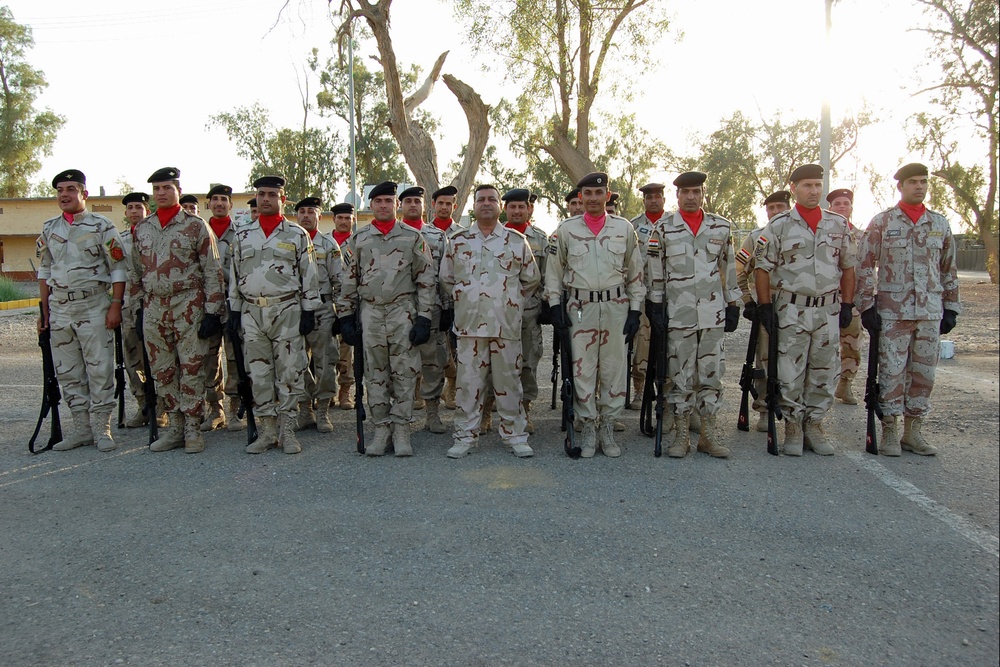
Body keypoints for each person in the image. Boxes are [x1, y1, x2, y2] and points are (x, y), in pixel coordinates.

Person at [855, 162, 960, 457]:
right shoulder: (882, 222)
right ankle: (889, 428)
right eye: (913, 182)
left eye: (923, 182)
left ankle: (913, 431)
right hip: (892, 312)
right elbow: (865, 265)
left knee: (924, 373)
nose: (919, 186)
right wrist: (866, 306)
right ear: (900, 186)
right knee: (891, 371)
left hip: (929, 311)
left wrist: (951, 307)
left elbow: (948, 269)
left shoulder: (939, 224)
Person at [754, 164, 856, 457]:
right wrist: (764, 307)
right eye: (807, 186)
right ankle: (793, 427)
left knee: (825, 370)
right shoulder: (779, 225)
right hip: (792, 310)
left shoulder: (838, 225)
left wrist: (847, 304)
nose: (813, 191)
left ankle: (814, 424)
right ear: (795, 188)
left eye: (817, 185)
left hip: (827, 310)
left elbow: (848, 267)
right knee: (790, 371)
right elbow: (762, 268)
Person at [545, 171, 644, 458]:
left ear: (607, 195)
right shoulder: (565, 230)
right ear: (580, 197)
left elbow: (636, 273)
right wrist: (554, 306)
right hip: (580, 309)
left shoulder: (624, 229)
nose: (592, 198)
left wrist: (635, 311)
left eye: (598, 193)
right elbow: (553, 274)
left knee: (614, 370)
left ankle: (608, 428)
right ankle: (588, 427)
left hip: (615, 307)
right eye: (586, 194)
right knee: (582, 370)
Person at [644, 171, 741, 458]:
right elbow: (655, 272)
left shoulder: (721, 228)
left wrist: (733, 303)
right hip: (679, 315)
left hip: (712, 316)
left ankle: (708, 435)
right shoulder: (663, 229)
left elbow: (729, 269)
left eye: (696, 191)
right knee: (680, 375)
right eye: (685, 191)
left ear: (703, 193)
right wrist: (656, 306)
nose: (691, 196)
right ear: (676, 195)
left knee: (712, 374)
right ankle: (682, 434)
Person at [129, 167, 226, 454]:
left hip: (188, 304)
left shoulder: (195, 225)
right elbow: (135, 273)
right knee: (162, 370)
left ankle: (194, 428)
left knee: (192, 366)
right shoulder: (142, 229)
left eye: (167, 188)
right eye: (157, 189)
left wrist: (212, 311)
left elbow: (212, 269)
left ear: (178, 192)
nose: (161, 193)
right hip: (154, 306)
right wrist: (136, 311)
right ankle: (175, 427)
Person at [337, 181, 436, 457]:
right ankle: (382, 428)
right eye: (378, 201)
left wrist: (425, 318)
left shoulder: (412, 238)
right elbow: (348, 281)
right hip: (370, 313)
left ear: (396, 205)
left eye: (388, 201)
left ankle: (402, 428)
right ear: (371, 206)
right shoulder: (359, 239)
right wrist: (345, 317)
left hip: (402, 311)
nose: (383, 206)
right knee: (375, 373)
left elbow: (426, 279)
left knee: (404, 370)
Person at [441, 184, 540, 458]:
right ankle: (465, 436)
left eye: (491, 200)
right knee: (468, 385)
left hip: (504, 325)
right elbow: (446, 279)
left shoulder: (517, 241)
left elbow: (531, 280)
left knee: (509, 383)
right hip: (469, 326)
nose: (486, 203)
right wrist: (469, 299)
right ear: (474, 206)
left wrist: (508, 301)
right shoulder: (458, 241)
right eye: (481, 199)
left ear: (500, 205)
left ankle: (515, 435)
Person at [37, 169, 128, 452]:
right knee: (68, 371)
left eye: (70, 189)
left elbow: (119, 268)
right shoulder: (49, 229)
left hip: (94, 306)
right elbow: (44, 270)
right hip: (61, 308)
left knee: (100, 368)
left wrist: (115, 305)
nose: (64, 195)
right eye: (60, 190)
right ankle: (81, 429)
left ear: (83, 194)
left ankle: (102, 429)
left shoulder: (102, 226)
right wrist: (44, 312)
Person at [228, 176, 320, 454]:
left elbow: (309, 274)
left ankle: (288, 430)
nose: (265, 199)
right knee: (259, 373)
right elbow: (234, 274)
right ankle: (268, 431)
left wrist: (309, 310)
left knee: (290, 372)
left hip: (287, 310)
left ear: (282, 198)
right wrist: (234, 309)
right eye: (261, 194)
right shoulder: (242, 235)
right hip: (252, 311)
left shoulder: (296, 234)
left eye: (271, 194)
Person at [735, 190, 791, 431]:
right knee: (765, 361)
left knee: (796, 362)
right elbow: (738, 271)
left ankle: (794, 411)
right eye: (771, 208)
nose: (776, 212)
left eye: (781, 207)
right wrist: (748, 301)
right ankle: (764, 409)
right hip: (768, 309)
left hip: (797, 309)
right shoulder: (756, 238)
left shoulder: (800, 235)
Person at [398, 185, 449, 434]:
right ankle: (401, 417)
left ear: (424, 206)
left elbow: (447, 276)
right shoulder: (394, 235)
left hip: (434, 310)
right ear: (400, 206)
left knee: (433, 362)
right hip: (400, 310)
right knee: (400, 364)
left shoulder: (438, 237)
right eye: (407, 201)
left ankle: (432, 413)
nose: (412, 205)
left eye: (416, 201)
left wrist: (448, 307)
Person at [292, 196, 342, 434]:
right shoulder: (290, 241)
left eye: (310, 212)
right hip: (293, 309)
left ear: (319, 217)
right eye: (301, 211)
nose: (305, 216)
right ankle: (304, 408)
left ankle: (322, 409)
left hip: (322, 309)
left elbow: (339, 282)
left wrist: (343, 315)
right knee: (296, 361)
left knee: (325, 361)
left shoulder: (329, 245)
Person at [502, 188, 549, 433]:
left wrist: (545, 304)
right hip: (498, 314)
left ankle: (524, 410)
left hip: (529, 313)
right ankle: (493, 409)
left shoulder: (540, 239)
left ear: (528, 209)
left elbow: (548, 276)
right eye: (512, 207)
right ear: (506, 209)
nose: (517, 211)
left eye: (521, 206)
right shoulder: (497, 236)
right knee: (498, 364)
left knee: (528, 363)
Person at [119, 191, 166, 429]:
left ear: (147, 210)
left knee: (158, 358)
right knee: (132, 359)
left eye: (139, 207)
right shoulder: (117, 241)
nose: (135, 211)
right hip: (128, 308)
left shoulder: (156, 236)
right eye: (131, 208)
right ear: (126, 214)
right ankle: (143, 405)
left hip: (152, 306)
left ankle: (162, 407)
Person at [200, 183, 242, 432]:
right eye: (214, 199)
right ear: (209, 204)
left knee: (235, 355)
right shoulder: (198, 231)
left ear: (230, 204)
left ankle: (236, 408)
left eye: (223, 200)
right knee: (208, 357)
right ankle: (215, 410)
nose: (218, 203)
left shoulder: (241, 233)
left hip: (233, 302)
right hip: (207, 306)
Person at [627, 182, 665, 409]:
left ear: (664, 199)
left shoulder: (671, 224)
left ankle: (666, 392)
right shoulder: (633, 227)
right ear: (644, 201)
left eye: (657, 196)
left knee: (667, 343)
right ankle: (640, 392)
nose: (653, 200)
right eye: (649, 197)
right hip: (641, 292)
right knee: (641, 342)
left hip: (667, 293)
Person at [826, 188, 864, 405]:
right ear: (830, 208)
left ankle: (845, 384)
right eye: (837, 204)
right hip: (828, 298)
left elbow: (867, 268)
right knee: (824, 345)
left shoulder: (861, 236)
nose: (842, 207)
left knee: (852, 344)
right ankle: (823, 387)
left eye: (846, 203)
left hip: (852, 299)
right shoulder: (824, 233)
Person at [429, 185, 460, 408]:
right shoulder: (423, 233)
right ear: (433, 205)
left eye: (449, 204)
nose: (444, 207)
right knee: (433, 349)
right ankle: (428, 390)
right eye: (440, 203)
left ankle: (453, 385)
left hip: (457, 302)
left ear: (454, 207)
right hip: (432, 302)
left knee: (455, 347)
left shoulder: (463, 234)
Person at [331, 202, 356, 411]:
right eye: (340, 217)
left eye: (348, 218)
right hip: (328, 304)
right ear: (334, 220)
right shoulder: (324, 242)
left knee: (346, 349)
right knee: (327, 350)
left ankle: (345, 391)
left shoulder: (357, 242)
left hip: (350, 304)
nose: (344, 221)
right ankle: (327, 391)